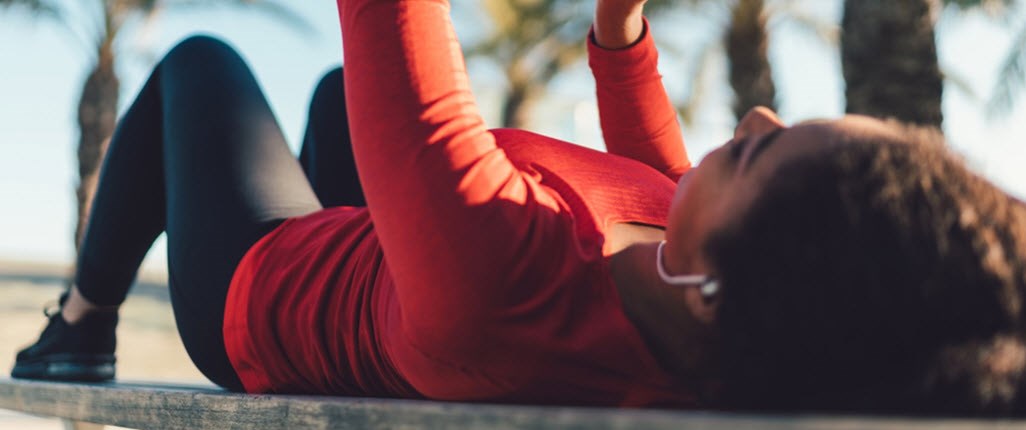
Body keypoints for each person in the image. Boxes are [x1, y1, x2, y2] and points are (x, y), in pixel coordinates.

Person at [13, 0, 1026, 415]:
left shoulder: (503, 279)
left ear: (716, 285)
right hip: (409, 274)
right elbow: (660, 172)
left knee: (201, 66)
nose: (756, 113)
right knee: (334, 100)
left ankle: (79, 326)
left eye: (757, 149)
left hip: (261, 291)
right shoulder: (709, 300)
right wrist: (620, 27)